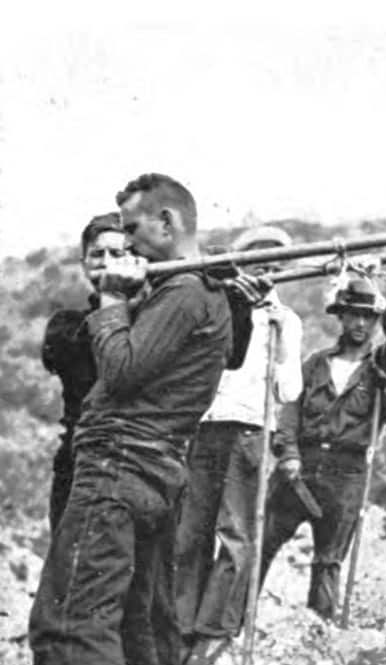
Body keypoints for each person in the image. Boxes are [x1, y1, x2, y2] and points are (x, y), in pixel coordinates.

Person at [29, 173, 237, 665]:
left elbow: (120, 370)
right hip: (149, 473)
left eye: (132, 227)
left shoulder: (184, 292)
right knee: (132, 621)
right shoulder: (196, 292)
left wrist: (114, 300)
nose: (127, 242)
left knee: (70, 625)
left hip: (117, 470)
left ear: (166, 221)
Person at [178, 226, 303, 664]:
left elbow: (289, 390)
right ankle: (180, 625)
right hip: (205, 427)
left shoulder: (285, 321)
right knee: (190, 530)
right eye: (258, 264)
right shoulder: (220, 308)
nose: (266, 273)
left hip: (249, 431)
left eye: (274, 266)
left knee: (236, 534)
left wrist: (282, 343)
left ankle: (215, 630)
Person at [256, 275, 386, 622]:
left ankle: (320, 636)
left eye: (368, 317)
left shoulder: (380, 374)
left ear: (376, 322)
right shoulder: (316, 363)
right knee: (262, 544)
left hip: (347, 475)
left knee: (328, 561)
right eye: (353, 314)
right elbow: (289, 410)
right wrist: (287, 453)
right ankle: (231, 622)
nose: (360, 323)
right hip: (300, 467)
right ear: (340, 317)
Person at [41, 212, 128, 533]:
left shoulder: (153, 322)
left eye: (118, 254)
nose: (105, 261)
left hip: (135, 465)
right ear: (84, 263)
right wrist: (113, 299)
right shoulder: (67, 325)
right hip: (78, 463)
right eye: (97, 254)